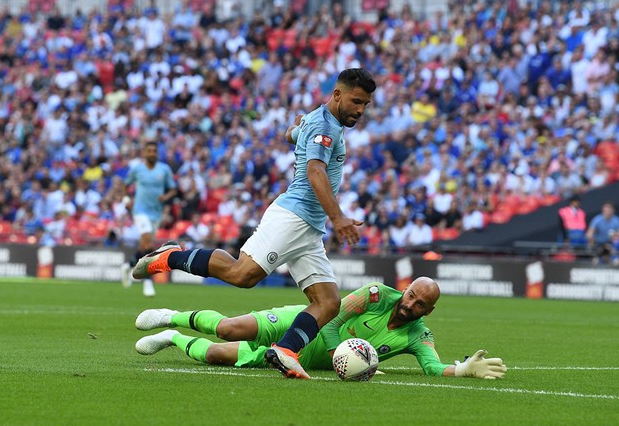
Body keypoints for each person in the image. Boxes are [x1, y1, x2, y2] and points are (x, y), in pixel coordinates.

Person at [132, 68, 376, 379]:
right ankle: (169, 256)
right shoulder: (324, 127)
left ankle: (286, 351)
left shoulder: (322, 123)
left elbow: (293, 132)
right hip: (293, 216)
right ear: (337, 94)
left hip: (309, 227)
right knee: (242, 274)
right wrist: (338, 217)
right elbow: (316, 171)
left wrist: (294, 132)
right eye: (356, 101)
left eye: (366, 104)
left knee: (328, 302)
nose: (360, 110)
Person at [134, 277, 507, 379]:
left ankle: (173, 338)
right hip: (303, 322)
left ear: (430, 310)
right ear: (406, 289)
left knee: (215, 354)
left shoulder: (417, 335)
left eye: (419, 304)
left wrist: (461, 369)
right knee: (230, 329)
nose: (410, 304)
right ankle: (172, 316)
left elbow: (430, 366)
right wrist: (335, 353)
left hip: (300, 360)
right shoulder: (375, 295)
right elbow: (333, 317)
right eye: (410, 295)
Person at [121, 141, 177, 296]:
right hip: (140, 211)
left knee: (145, 245)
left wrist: (165, 196)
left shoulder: (164, 169)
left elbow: (173, 189)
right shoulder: (137, 169)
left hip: (155, 213)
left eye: (154, 151)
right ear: (144, 153)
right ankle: (147, 281)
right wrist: (127, 200)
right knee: (147, 242)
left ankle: (128, 265)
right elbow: (126, 185)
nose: (152, 153)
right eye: (149, 151)